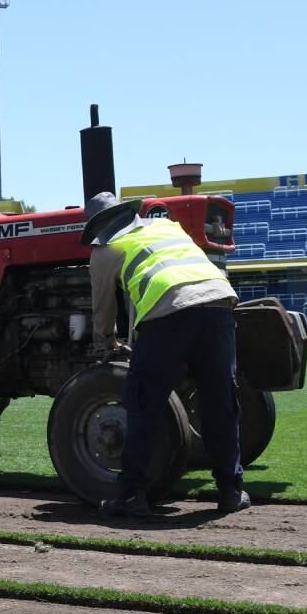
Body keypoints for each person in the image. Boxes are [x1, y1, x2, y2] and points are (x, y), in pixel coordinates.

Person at [81, 191, 249, 517]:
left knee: (144, 404)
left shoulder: (105, 250)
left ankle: (131, 496)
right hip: (218, 302)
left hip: (169, 314)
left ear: (98, 226)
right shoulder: (170, 228)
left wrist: (106, 344)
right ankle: (231, 490)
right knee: (220, 401)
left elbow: (103, 309)